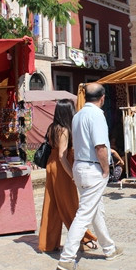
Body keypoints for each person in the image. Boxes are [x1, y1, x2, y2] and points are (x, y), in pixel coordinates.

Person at [56, 83, 122, 270]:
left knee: (95, 209)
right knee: (85, 213)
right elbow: (100, 146)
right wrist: (105, 169)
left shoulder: (77, 116)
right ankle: (67, 259)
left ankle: (109, 248)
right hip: (92, 167)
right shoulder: (97, 115)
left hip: (79, 166)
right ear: (102, 98)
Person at [38, 99, 98, 253]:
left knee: (51, 205)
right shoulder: (64, 130)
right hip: (61, 168)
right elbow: (61, 156)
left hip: (52, 167)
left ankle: (48, 243)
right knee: (70, 204)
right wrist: (72, 174)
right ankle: (84, 238)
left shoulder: (53, 127)